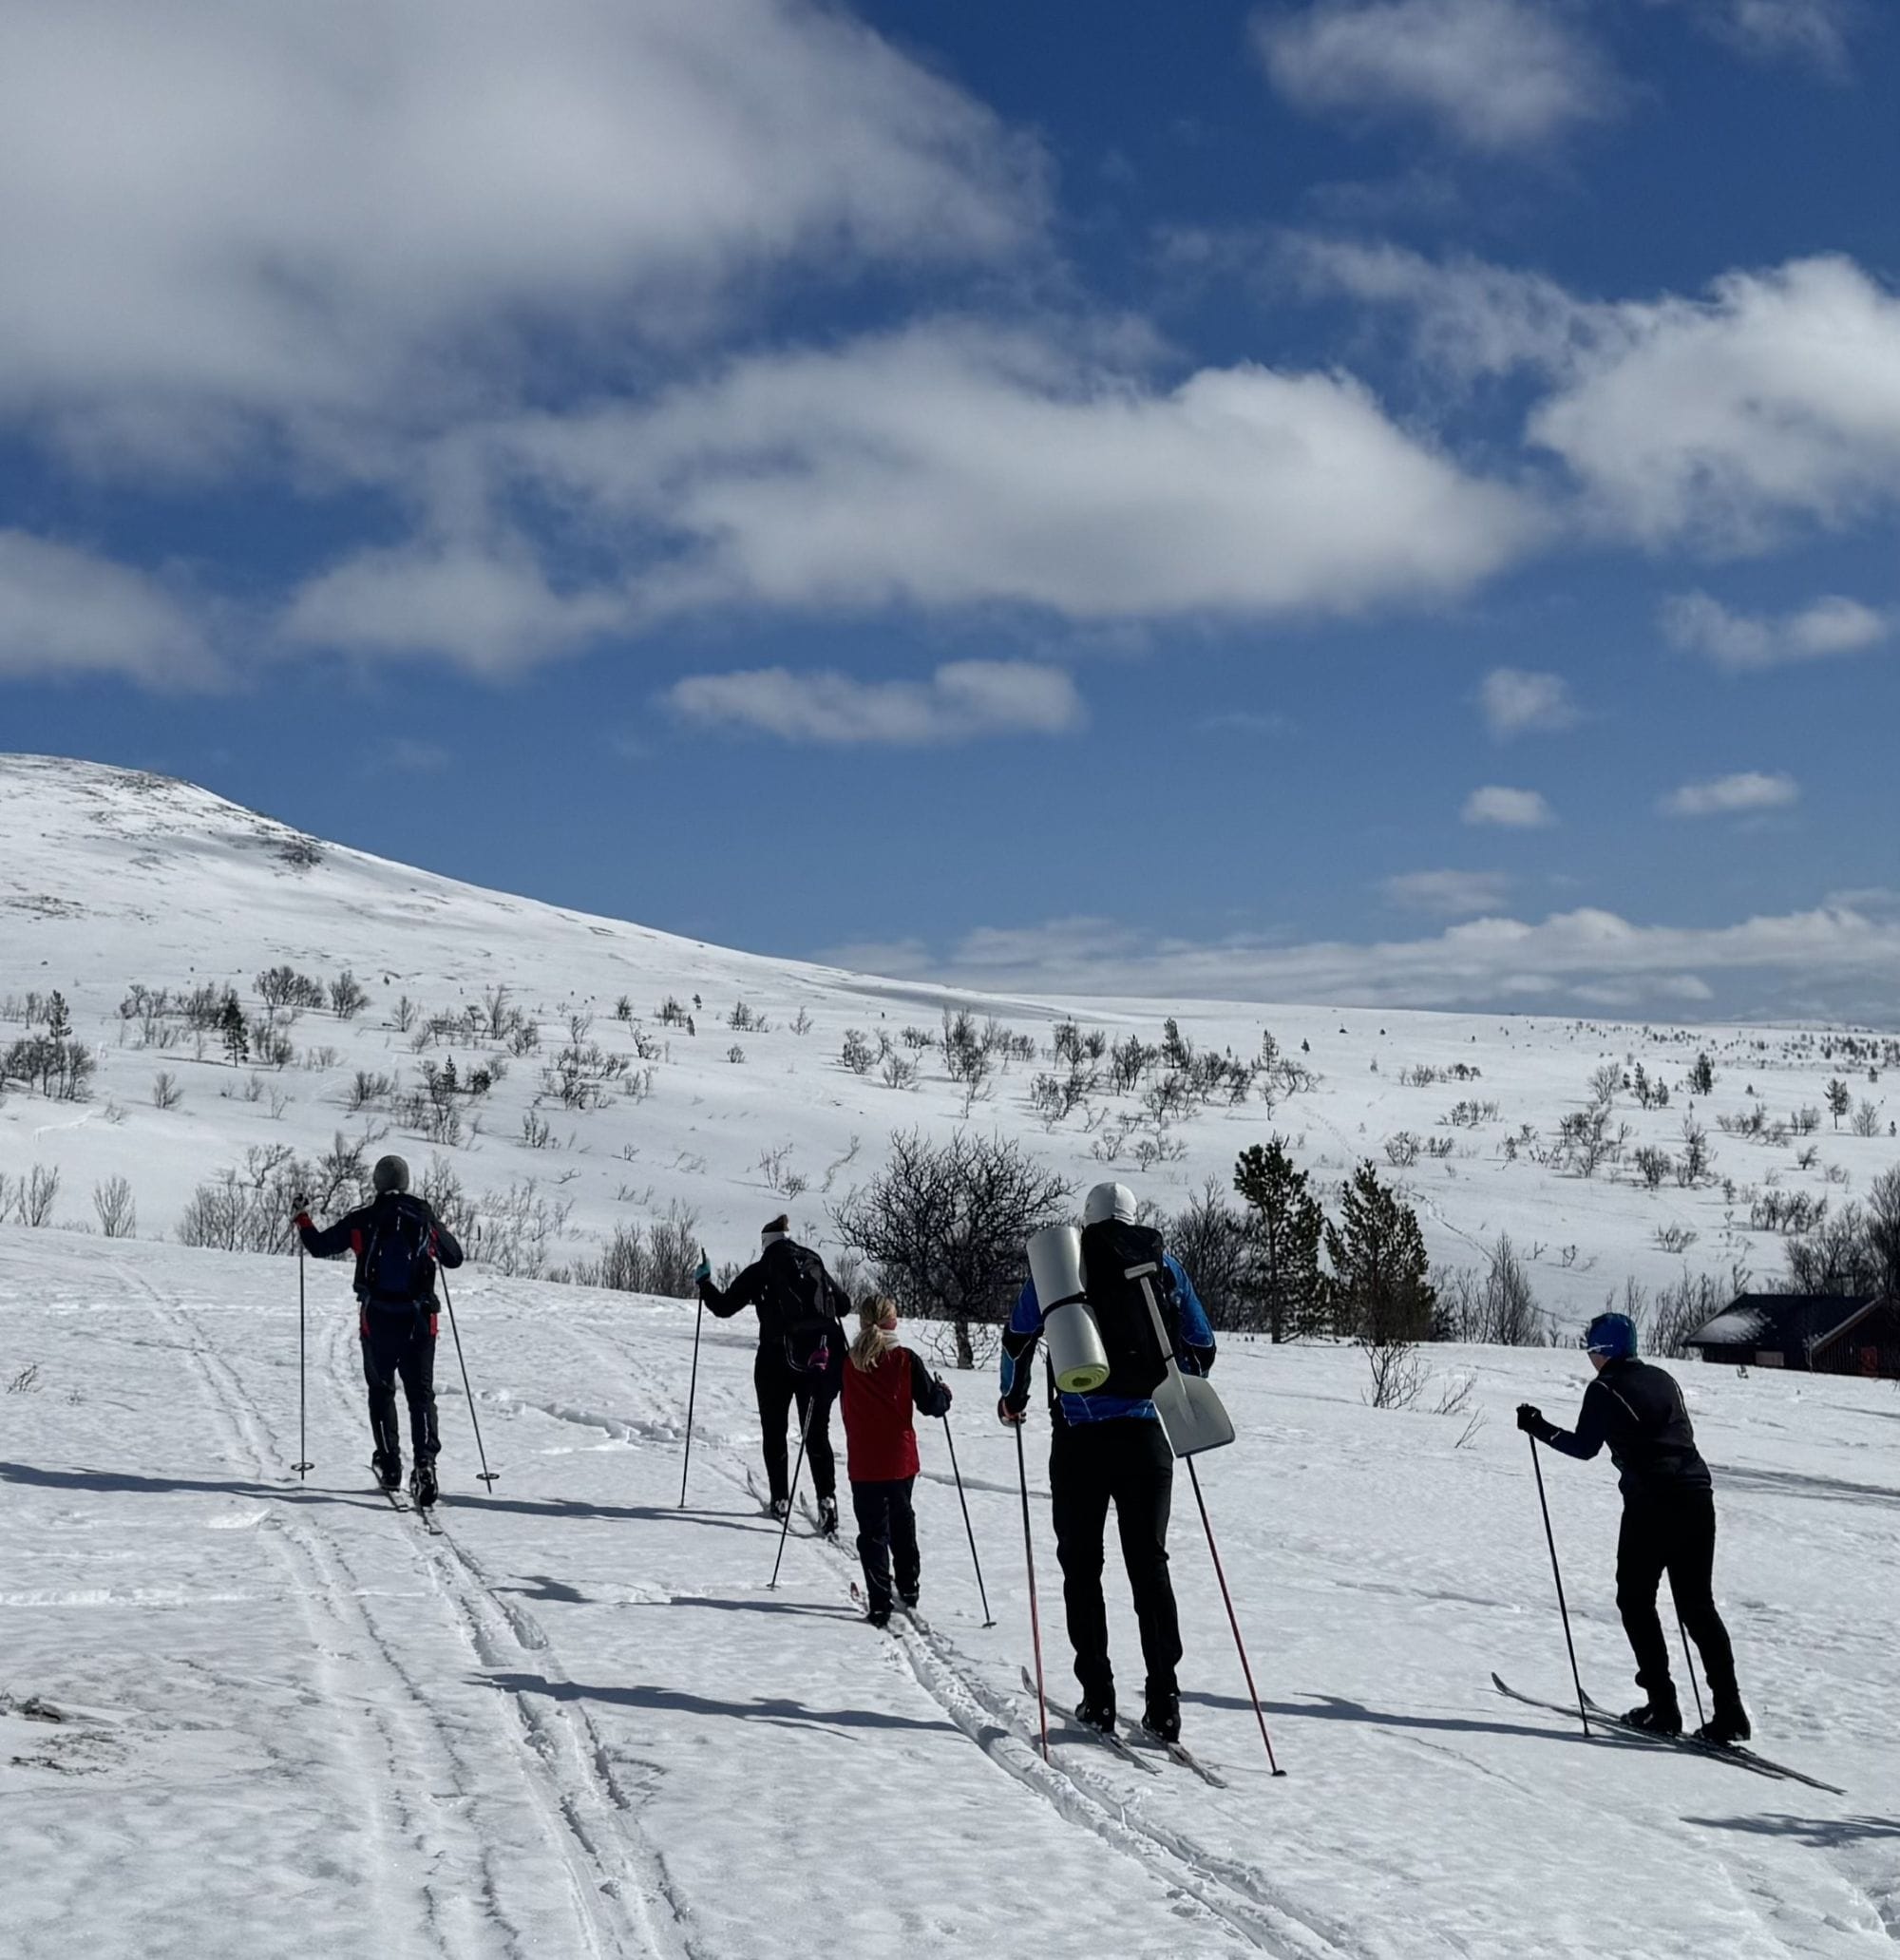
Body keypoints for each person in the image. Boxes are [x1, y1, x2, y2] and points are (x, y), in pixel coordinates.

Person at [998, 1181, 1215, 1743]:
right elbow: (1203, 1345)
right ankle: (1165, 1701)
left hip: (1080, 1439)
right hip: (1146, 1436)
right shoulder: (1163, 1266)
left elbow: (1017, 1339)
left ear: (1088, 1219)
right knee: (1150, 1565)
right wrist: (1173, 1382)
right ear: (1134, 1218)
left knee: (1082, 1567)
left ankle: (1097, 1696)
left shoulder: (1060, 1267)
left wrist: (1013, 1398)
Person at [1517, 1311, 1748, 1743]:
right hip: (1697, 1496)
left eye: (1591, 1350)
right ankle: (1731, 1712)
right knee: (1697, 1606)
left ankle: (1663, 1706)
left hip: (1651, 1504)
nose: (1590, 1359)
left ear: (1604, 1351)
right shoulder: (1664, 1379)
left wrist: (1538, 1427)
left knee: (1635, 1599)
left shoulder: (1604, 1388)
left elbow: (1584, 1447)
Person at [295, 1154, 463, 1509]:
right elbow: (454, 1258)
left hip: (377, 1320)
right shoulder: (422, 1216)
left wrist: (302, 1218)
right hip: (420, 1321)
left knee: (382, 1391)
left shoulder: (364, 1219)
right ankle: (425, 1464)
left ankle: (390, 1466)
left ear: (377, 1182)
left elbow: (320, 1247)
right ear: (405, 1182)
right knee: (420, 1395)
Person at [695, 1215, 850, 1534]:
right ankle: (827, 1500)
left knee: (775, 1430)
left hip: (773, 1361)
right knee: (816, 1433)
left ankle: (780, 1498)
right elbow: (844, 1306)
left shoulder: (762, 1268)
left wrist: (705, 1283)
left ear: (766, 1240)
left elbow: (724, 1307)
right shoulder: (813, 1261)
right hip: (817, 1362)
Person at [839, 1297, 952, 1627]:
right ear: (892, 1322)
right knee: (902, 1520)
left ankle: (879, 1603)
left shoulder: (849, 1362)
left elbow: (824, 1388)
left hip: (864, 1461)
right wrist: (944, 1394)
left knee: (873, 1531)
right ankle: (909, 1586)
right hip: (900, 1460)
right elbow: (932, 1405)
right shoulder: (904, 1359)